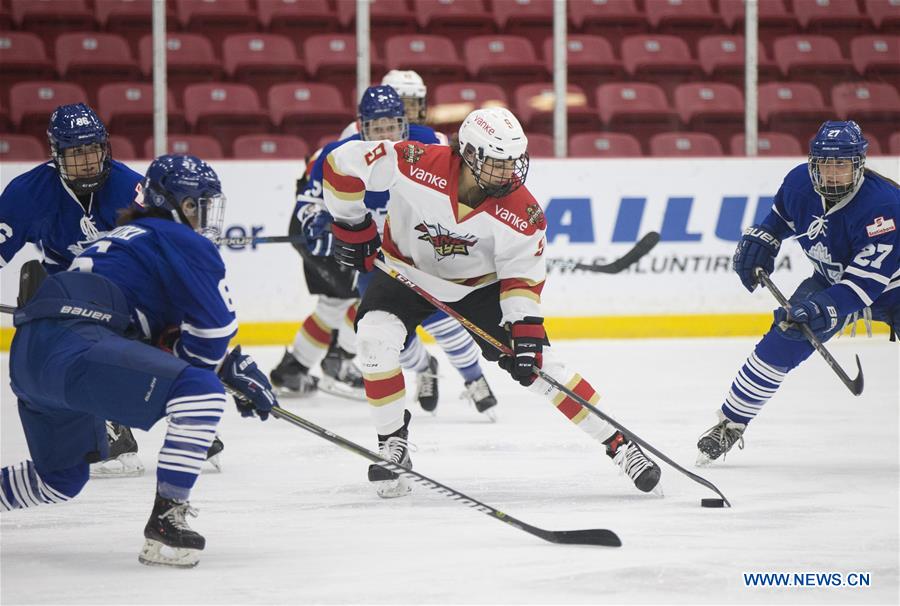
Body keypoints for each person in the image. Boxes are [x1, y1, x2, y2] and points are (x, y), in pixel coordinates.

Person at [321, 106, 662, 497]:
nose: (509, 173)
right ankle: (392, 445)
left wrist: (525, 328)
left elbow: (522, 276)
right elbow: (340, 162)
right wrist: (351, 224)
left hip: (476, 288)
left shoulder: (524, 212)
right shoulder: (414, 161)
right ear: (467, 153)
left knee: (542, 368)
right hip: (404, 272)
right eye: (497, 163)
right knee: (373, 341)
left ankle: (619, 444)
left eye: (514, 163)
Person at [0, 154, 278, 568]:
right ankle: (166, 523)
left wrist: (221, 364)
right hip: (79, 347)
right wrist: (226, 369)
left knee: (60, 479)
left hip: (32, 354)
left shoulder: (121, 238)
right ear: (173, 204)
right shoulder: (181, 241)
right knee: (199, 393)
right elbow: (212, 338)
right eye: (195, 206)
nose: (203, 219)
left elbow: (151, 334)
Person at [271, 85, 499, 417]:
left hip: (417, 249)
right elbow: (309, 202)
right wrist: (318, 223)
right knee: (391, 331)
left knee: (441, 320)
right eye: (377, 128)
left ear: (403, 124)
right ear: (362, 127)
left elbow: (455, 187)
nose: (386, 134)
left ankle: (474, 378)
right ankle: (423, 368)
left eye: (392, 126)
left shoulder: (428, 144)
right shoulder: (340, 155)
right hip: (371, 260)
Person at [696, 121, 900, 465]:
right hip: (831, 280)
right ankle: (730, 424)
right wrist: (764, 238)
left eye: (842, 164)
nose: (832, 173)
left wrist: (822, 308)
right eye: (825, 164)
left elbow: (864, 285)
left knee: (811, 314)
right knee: (784, 337)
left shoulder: (884, 207)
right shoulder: (798, 183)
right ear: (813, 162)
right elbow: (779, 218)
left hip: (892, 289)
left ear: (859, 164)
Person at [0, 103, 148, 478]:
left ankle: (184, 413)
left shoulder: (129, 188)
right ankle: (105, 425)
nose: (87, 161)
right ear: (57, 155)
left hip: (125, 288)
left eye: (93, 149)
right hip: (63, 291)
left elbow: (158, 253)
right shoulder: (26, 194)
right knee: (42, 300)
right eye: (76, 152)